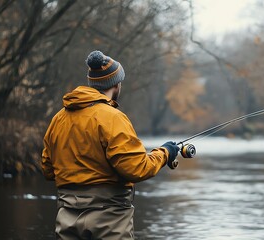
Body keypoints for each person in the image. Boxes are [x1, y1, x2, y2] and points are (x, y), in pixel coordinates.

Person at [41, 50, 180, 239]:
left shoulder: (59, 118)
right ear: (115, 84)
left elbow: (48, 170)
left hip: (66, 217)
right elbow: (136, 169)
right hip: (109, 220)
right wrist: (165, 153)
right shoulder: (113, 118)